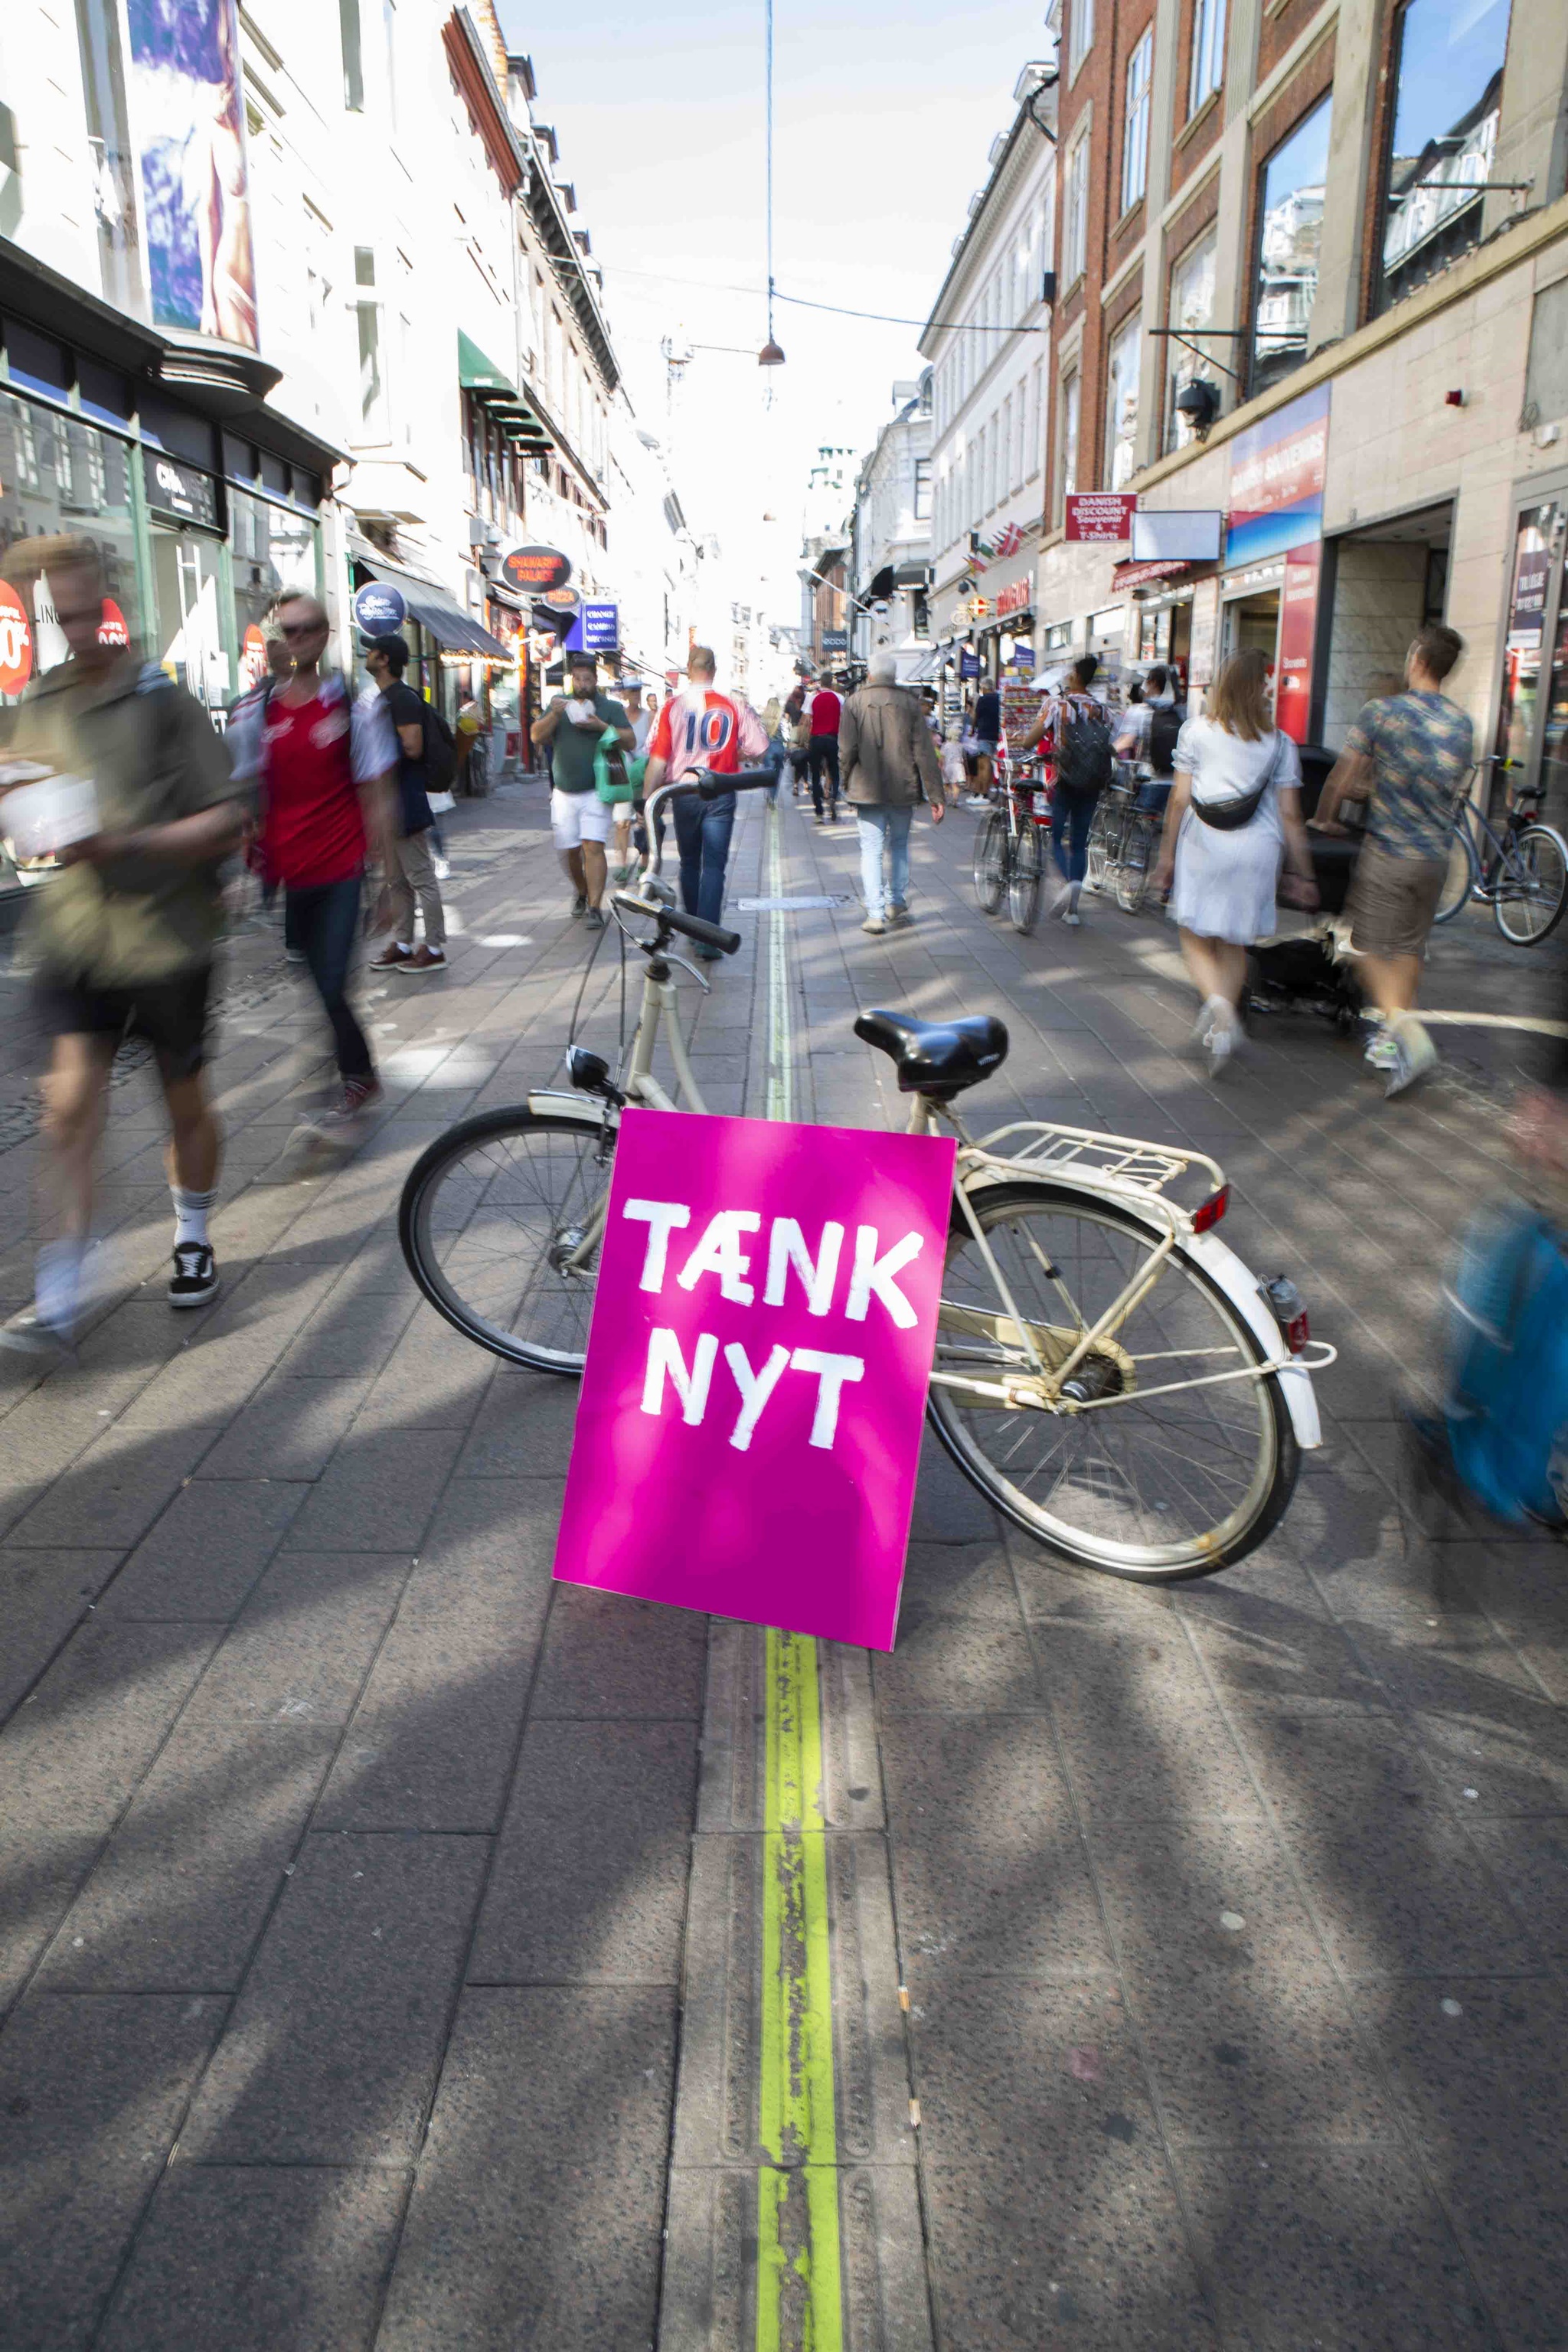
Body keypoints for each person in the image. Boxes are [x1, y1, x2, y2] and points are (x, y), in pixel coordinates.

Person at [0, 534, 247, 1338]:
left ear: (112, 607)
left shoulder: (163, 702)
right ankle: (64, 1278)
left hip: (167, 938)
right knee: (66, 1108)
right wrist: (24, 817)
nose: (75, 632)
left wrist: (128, 842)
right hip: (76, 936)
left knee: (183, 1100)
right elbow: (23, 800)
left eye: (86, 614)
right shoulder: (42, 701)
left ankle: (193, 1235)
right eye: (61, 617)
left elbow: (228, 818)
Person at [227, 590, 398, 1130]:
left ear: (324, 636)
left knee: (330, 980)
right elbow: (244, 792)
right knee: (313, 973)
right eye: (287, 631)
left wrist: (390, 882)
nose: (295, 640)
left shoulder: (355, 706)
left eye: (306, 630)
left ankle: (358, 1076)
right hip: (289, 872)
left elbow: (377, 793)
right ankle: (343, 1065)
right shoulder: (255, 711)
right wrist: (242, 864)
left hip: (342, 866)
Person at [1312, 622, 1472, 1097]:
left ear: (1418, 659)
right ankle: (1389, 1042)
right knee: (1408, 950)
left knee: (1359, 947)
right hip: (1435, 856)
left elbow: (1342, 777)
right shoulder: (1462, 723)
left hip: (1389, 852)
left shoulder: (1382, 712)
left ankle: (1407, 1031)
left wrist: (1324, 818)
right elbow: (1436, 783)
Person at [1152, 647, 1318, 1076]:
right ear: (1259, 690)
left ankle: (1219, 1009)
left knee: (1192, 933)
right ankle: (1223, 1030)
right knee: (1233, 942)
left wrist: (1166, 856)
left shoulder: (1196, 731)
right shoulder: (1281, 744)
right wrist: (1303, 872)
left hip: (1204, 845)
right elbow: (1291, 815)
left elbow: (1179, 800)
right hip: (1258, 850)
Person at [644, 645, 768, 956]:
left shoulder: (671, 707)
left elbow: (657, 759)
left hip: (684, 793)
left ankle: (692, 929)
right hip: (721, 792)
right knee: (714, 866)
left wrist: (647, 803)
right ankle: (709, 939)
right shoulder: (733, 704)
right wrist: (735, 752)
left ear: (689, 669)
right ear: (714, 669)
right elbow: (759, 748)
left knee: (689, 862)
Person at [840, 650, 946, 935]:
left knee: (871, 850)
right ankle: (896, 901)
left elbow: (846, 749)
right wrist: (936, 796)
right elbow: (925, 753)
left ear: (870, 674)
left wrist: (845, 781)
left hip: (867, 789)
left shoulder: (854, 702)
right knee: (899, 845)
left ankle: (875, 914)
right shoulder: (910, 703)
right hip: (903, 788)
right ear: (894, 675)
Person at [362, 634, 447, 975]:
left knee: (421, 877)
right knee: (396, 880)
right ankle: (402, 944)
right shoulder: (384, 698)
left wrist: (377, 747)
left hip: (406, 800)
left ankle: (435, 947)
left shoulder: (402, 698)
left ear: (384, 659)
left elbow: (412, 746)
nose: (367, 654)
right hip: (388, 801)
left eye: (372, 651)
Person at [531, 652, 633, 929]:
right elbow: (536, 735)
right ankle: (582, 890)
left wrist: (601, 726)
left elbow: (630, 741)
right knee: (570, 850)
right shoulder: (559, 705)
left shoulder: (609, 707)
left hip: (597, 791)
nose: (582, 684)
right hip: (564, 793)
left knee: (593, 846)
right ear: (571, 679)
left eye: (587, 679)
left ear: (595, 680)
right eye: (577, 679)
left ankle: (595, 907)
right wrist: (555, 714)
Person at [1023, 654, 1111, 926]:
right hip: (1093, 781)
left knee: (1056, 837)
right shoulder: (1102, 709)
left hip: (1065, 779)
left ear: (1074, 675)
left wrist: (1026, 742)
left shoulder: (1056, 704)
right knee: (1079, 842)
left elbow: (1030, 740)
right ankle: (1072, 910)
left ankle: (1069, 881)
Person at [1116, 664, 1186, 820]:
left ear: (1153, 683)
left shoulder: (1139, 711)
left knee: (1139, 826)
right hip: (1177, 783)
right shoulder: (1180, 712)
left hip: (1151, 781)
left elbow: (1126, 742)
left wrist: (1107, 751)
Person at [806, 675, 843, 822]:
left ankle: (819, 811)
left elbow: (808, 720)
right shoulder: (839, 698)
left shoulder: (813, 698)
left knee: (815, 775)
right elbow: (843, 719)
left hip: (816, 739)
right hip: (833, 738)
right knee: (834, 771)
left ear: (821, 683)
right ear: (832, 683)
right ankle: (833, 796)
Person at [969, 678, 1001, 795]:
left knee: (984, 763)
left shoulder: (982, 700)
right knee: (993, 762)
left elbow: (975, 716)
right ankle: (989, 788)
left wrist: (972, 730)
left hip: (984, 734)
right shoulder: (999, 698)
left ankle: (983, 792)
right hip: (997, 735)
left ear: (983, 687)